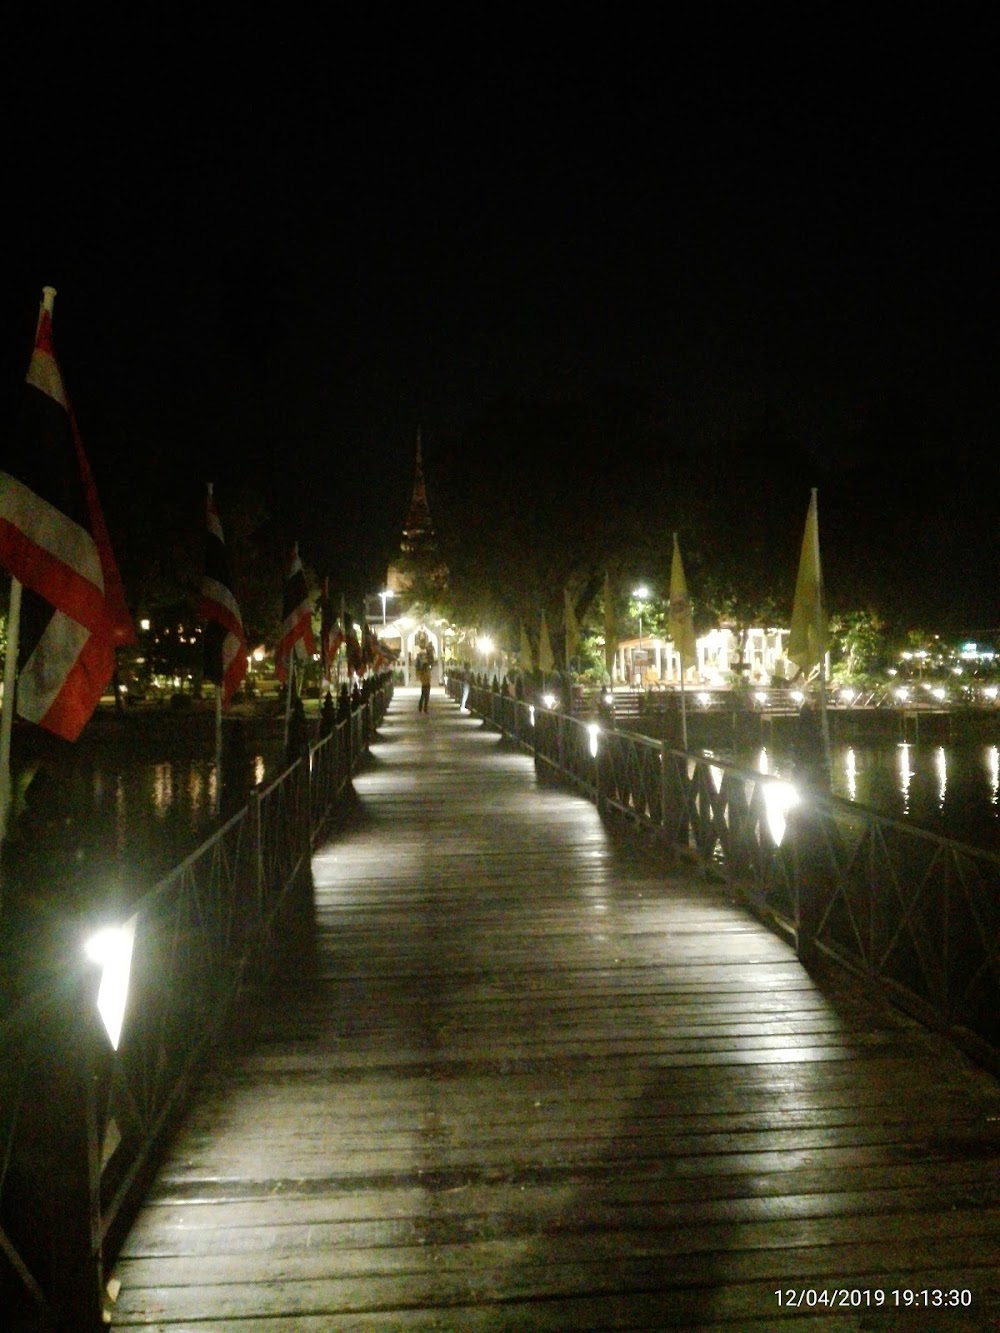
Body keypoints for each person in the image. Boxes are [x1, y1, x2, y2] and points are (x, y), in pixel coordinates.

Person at [417, 648, 432, 712]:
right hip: (425, 685)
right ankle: (421, 708)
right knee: (423, 697)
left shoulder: (427, 672)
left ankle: (425, 708)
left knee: (426, 698)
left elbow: (429, 677)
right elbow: (422, 678)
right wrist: (426, 681)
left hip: (427, 685)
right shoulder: (423, 673)